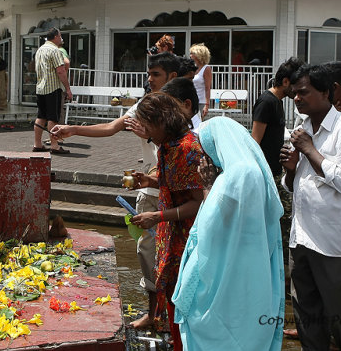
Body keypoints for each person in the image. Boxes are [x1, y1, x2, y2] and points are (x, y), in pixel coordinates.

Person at [52, 51, 182, 330]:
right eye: (148, 74)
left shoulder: (180, 108)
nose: (149, 79)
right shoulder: (145, 106)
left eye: (155, 74)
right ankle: (153, 313)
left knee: (177, 254)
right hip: (150, 188)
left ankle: (175, 316)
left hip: (176, 191)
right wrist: (74, 129)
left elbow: (183, 146)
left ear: (171, 77)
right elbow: (111, 127)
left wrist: (147, 135)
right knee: (146, 251)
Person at [279, 64, 341, 351]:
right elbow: (295, 186)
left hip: (336, 241)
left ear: (326, 92)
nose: (297, 98)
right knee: (307, 311)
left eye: (304, 92)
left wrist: (310, 150)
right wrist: (292, 170)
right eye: (294, 93)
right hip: (304, 237)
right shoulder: (303, 129)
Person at [172, 117, 285, 351]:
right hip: (254, 262)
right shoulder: (254, 170)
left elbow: (211, 228)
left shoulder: (235, 176)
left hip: (226, 270)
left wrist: (208, 187)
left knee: (224, 324)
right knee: (248, 321)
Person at [129, 92, 205, 351]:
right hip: (169, 234)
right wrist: (150, 181)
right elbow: (174, 183)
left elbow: (197, 201)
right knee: (173, 295)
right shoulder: (167, 146)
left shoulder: (187, 148)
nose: (145, 132)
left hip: (188, 236)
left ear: (162, 120)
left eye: (147, 125)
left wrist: (157, 216)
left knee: (187, 298)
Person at [252, 56, 301, 277]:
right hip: (266, 175)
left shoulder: (277, 103)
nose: (298, 90)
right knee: (282, 221)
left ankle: (281, 272)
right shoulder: (267, 102)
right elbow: (255, 142)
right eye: (296, 84)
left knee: (283, 221)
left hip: (275, 172)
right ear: (284, 82)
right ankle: (280, 274)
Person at [32, 28, 72, 154]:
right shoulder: (55, 50)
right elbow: (61, 71)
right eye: (60, 36)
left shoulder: (40, 50)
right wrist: (68, 88)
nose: (61, 38)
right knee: (52, 118)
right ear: (55, 36)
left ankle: (37, 144)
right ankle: (54, 145)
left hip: (40, 87)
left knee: (41, 116)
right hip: (52, 87)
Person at [189, 43, 212, 119]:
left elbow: (207, 88)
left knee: (199, 123)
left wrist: (207, 105)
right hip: (192, 100)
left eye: (192, 53)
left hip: (201, 101)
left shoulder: (206, 68)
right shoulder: (192, 68)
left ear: (198, 54)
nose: (190, 56)